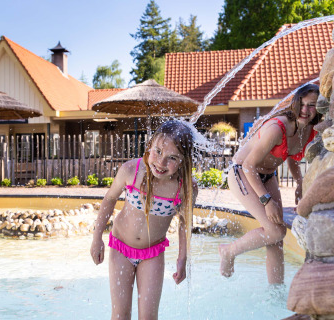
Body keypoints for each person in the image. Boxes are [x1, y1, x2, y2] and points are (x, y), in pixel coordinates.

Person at [90, 120, 198, 320]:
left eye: (171, 158)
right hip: (121, 247)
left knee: (148, 317)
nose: (161, 162)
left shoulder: (185, 188)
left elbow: (185, 223)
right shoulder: (132, 170)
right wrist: (97, 238)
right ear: (150, 146)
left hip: (152, 253)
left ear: (184, 160)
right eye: (157, 151)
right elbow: (109, 199)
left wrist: (182, 258)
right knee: (121, 315)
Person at [220, 84, 322, 284]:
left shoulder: (309, 130)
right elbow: (249, 165)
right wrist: (266, 201)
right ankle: (228, 251)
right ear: (295, 102)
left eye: (312, 106)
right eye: (302, 103)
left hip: (267, 176)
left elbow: (293, 156)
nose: (305, 110)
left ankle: (275, 291)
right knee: (275, 230)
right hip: (243, 173)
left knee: (276, 237)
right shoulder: (277, 128)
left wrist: (299, 183)